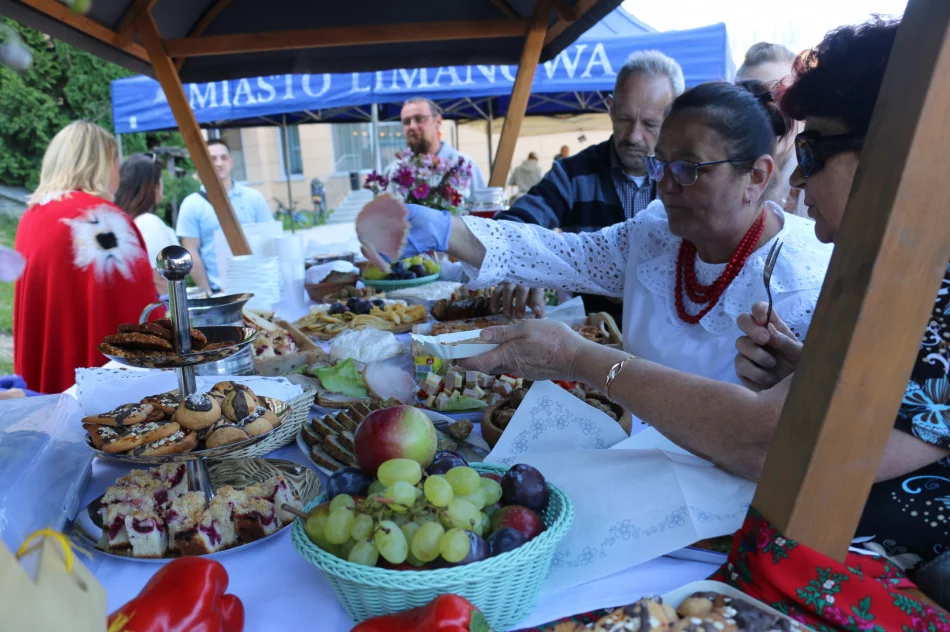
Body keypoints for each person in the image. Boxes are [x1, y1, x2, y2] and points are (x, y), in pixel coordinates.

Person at [358, 80, 833, 391]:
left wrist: (799, 384)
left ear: (756, 175)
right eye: (660, 164)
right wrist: (444, 227)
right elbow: (560, 254)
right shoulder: (655, 237)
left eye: (688, 168)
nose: (665, 184)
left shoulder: (803, 276)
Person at [492, 50, 686, 321]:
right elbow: (515, 222)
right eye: (624, 119)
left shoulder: (687, 178)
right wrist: (518, 262)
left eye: (650, 124)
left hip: (669, 337)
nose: (633, 135)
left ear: (674, 119)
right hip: (593, 342)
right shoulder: (573, 174)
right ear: (610, 108)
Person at [14, 121, 158, 394]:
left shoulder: (32, 215)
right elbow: (139, 316)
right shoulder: (104, 220)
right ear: (103, 165)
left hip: (51, 380)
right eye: (116, 162)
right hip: (100, 388)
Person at [176, 138, 273, 294]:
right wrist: (207, 293)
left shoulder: (254, 197)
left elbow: (270, 241)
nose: (219, 163)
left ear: (231, 162)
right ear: (203, 164)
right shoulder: (192, 204)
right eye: (212, 159)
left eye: (224, 157)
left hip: (258, 287)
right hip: (219, 292)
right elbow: (191, 253)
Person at [735, 42, 806, 217]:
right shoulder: (730, 175)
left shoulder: (817, 185)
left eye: (779, 95)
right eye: (748, 98)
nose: (765, 111)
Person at [388, 97, 486, 201]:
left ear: (438, 121)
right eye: (406, 121)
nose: (412, 126)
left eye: (419, 119)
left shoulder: (464, 165)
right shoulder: (396, 171)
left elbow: (482, 209)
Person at [115, 153, 179, 295]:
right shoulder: (149, 223)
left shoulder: (121, 222)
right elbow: (161, 280)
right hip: (161, 310)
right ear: (154, 187)